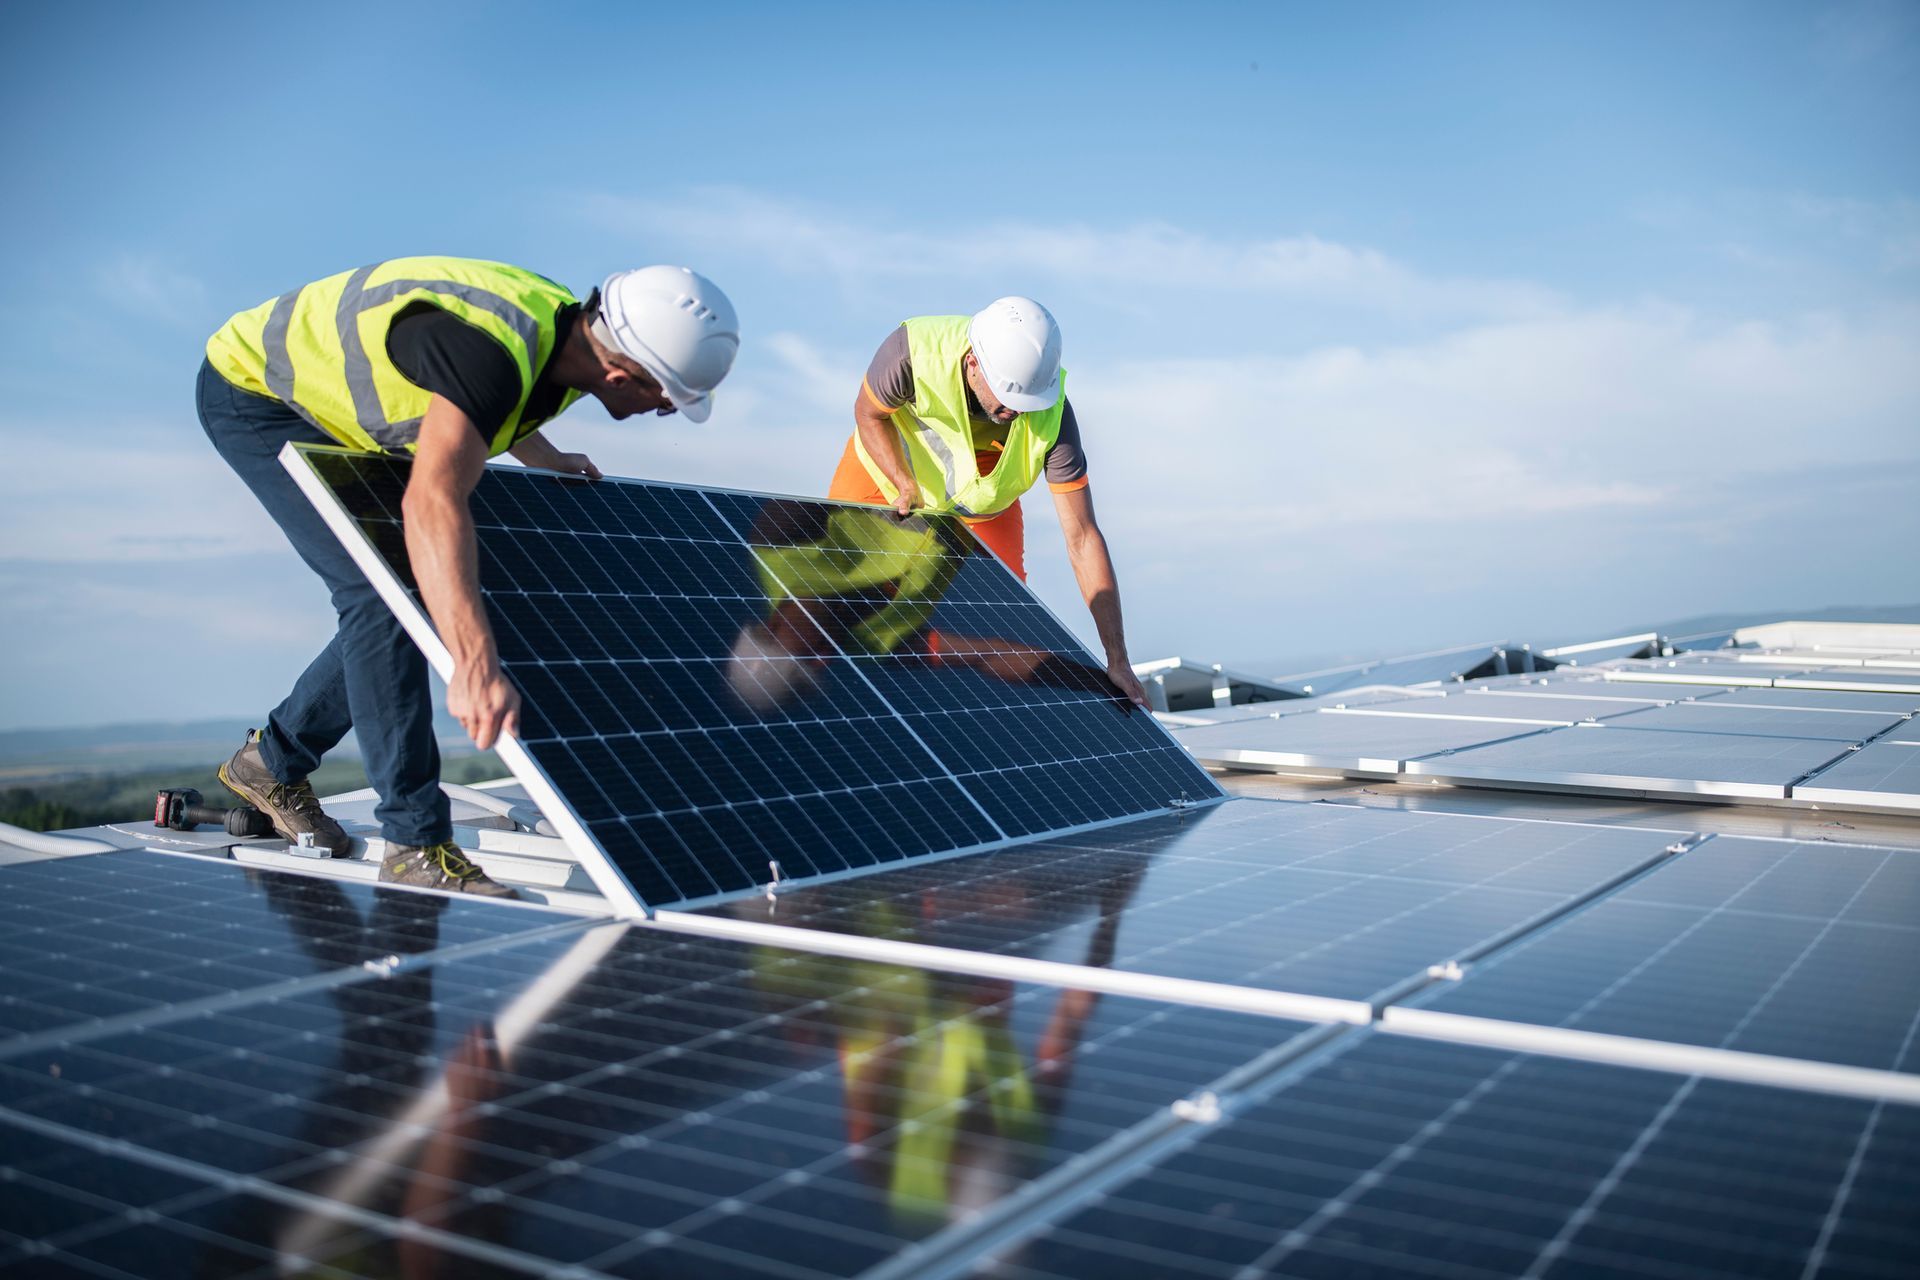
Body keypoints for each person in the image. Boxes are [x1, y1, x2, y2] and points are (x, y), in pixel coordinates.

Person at [198, 256, 739, 895]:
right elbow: (433, 496)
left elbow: (486, 403)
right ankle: (415, 843)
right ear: (622, 372)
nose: (668, 412)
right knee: (382, 594)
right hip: (258, 394)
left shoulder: (570, 336)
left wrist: (544, 456)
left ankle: (272, 762)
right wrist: (475, 665)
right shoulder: (494, 349)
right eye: (668, 396)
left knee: (426, 589)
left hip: (339, 411)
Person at [832, 297, 1150, 708]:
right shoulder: (910, 352)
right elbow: (868, 414)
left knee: (997, 618)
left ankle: (958, 722)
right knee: (838, 597)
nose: (1014, 413)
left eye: (1025, 404)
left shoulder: (1054, 419)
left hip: (982, 503)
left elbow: (1083, 537)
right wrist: (903, 483)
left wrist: (1117, 658)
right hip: (885, 473)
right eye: (1005, 398)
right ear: (972, 363)